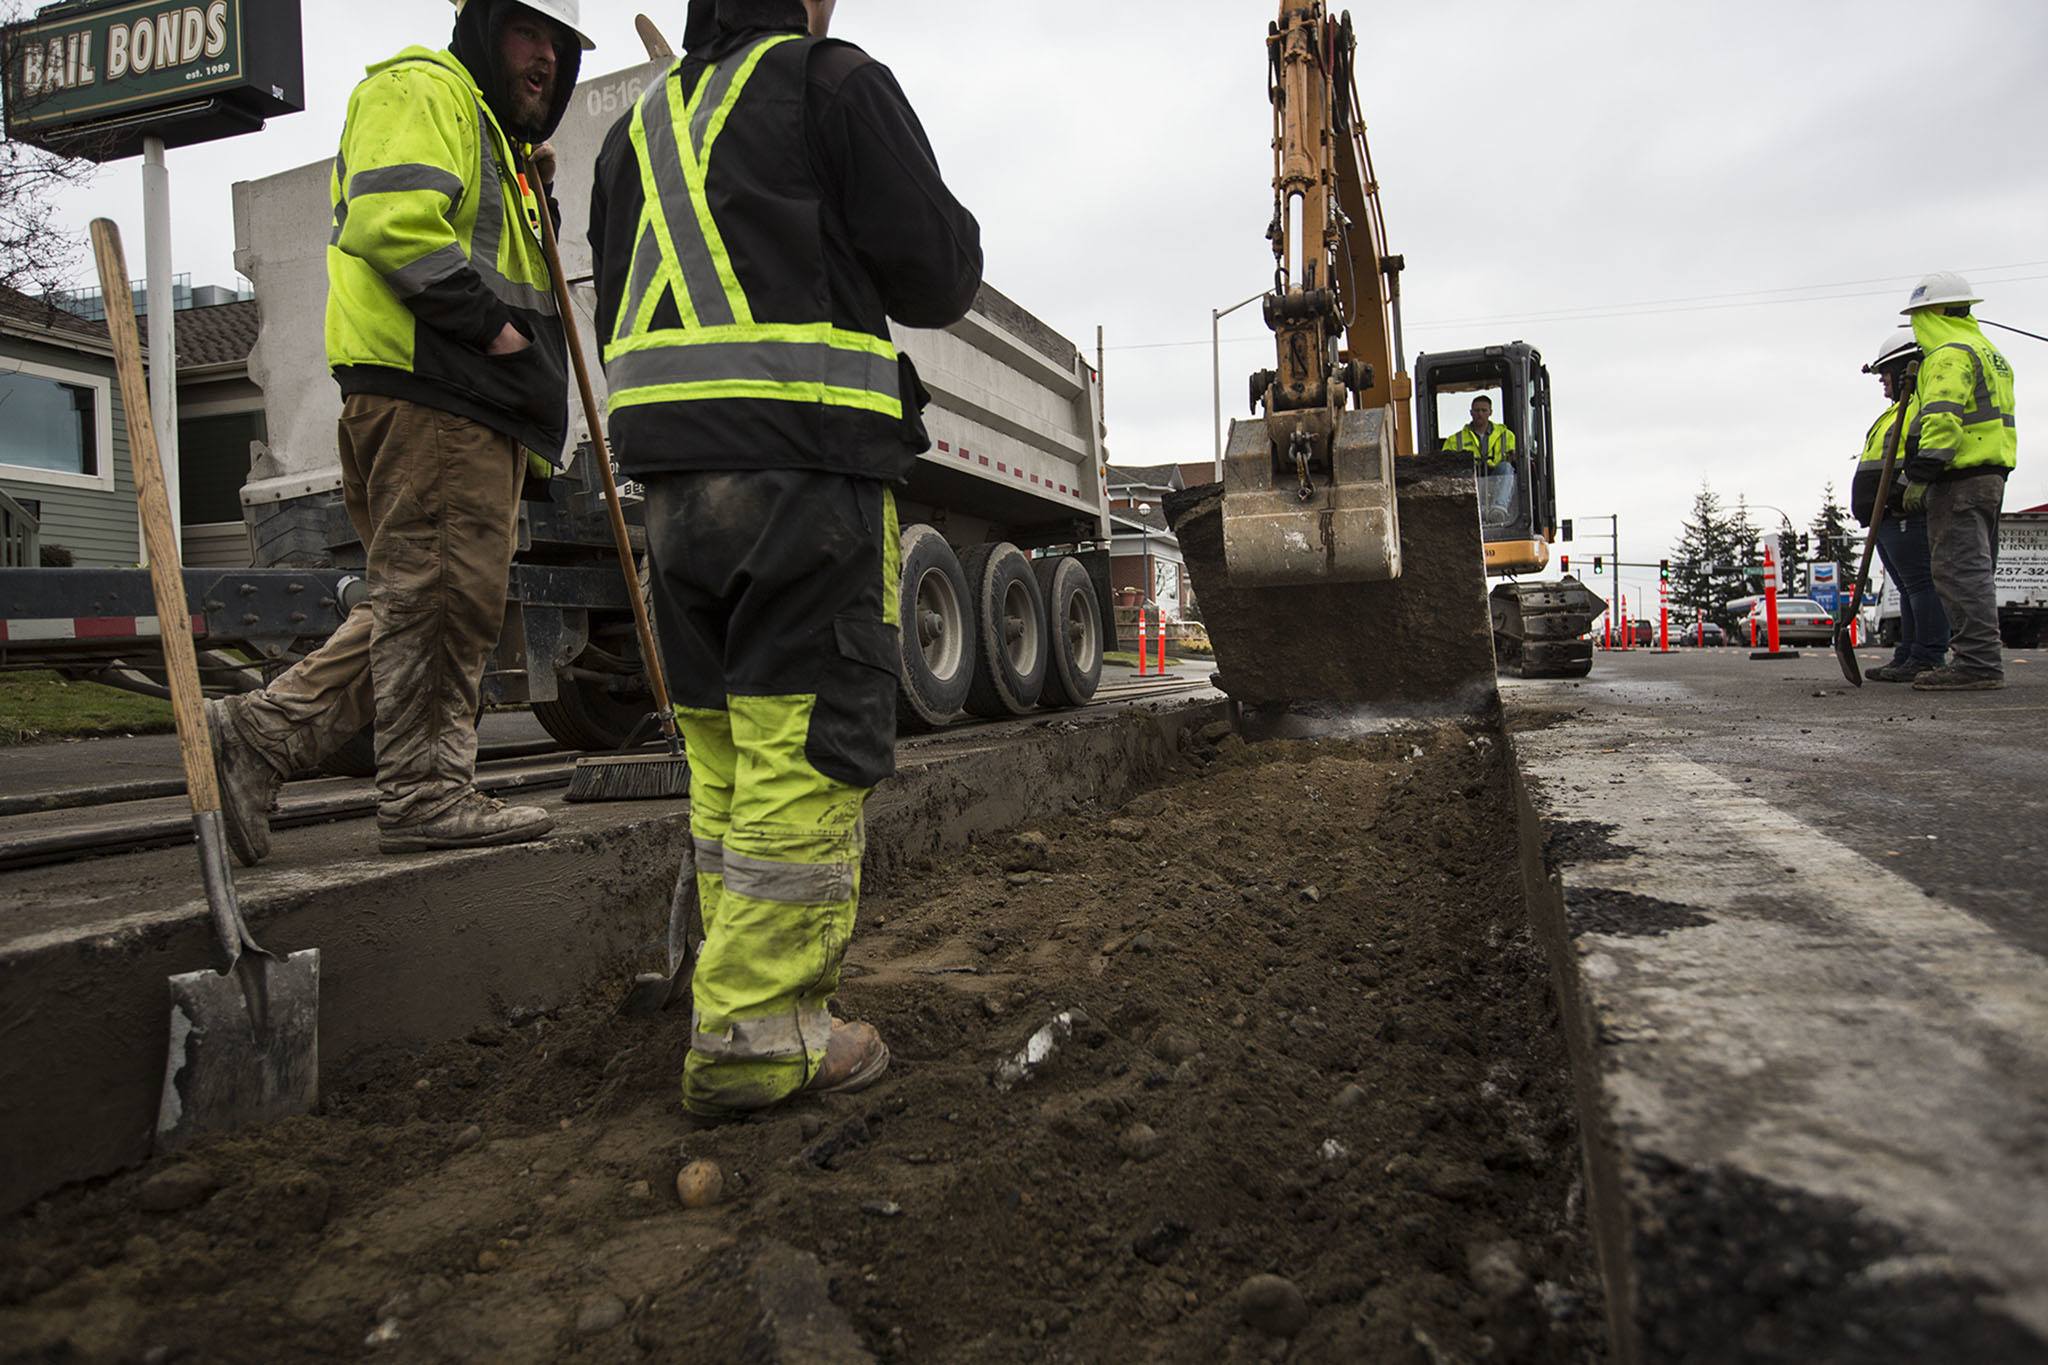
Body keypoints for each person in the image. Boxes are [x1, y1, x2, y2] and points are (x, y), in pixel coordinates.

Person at [589, 0, 982, 1117]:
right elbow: (937, 277)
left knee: (726, 760)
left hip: (673, 495)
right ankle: (760, 1037)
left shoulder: (635, 129)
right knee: (803, 751)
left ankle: (735, 994)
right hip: (802, 473)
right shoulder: (832, 83)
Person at [206, 0, 590, 862]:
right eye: (529, 34)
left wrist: (541, 194)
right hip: (438, 395)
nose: (546, 61)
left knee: (418, 602)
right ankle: (423, 792)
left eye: (558, 46)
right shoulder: (424, 89)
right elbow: (392, 225)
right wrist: (503, 340)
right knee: (442, 605)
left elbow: (502, 254)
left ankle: (262, 735)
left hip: (461, 404)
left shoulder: (497, 140)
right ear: (486, 27)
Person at [1896, 272, 2019, 691]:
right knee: (1976, 571)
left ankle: (1979, 664)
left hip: (1960, 479)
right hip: (1991, 474)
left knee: (1958, 572)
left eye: (1917, 317)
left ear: (1931, 315)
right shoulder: (1989, 351)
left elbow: (1944, 419)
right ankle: (1978, 657)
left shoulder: (1948, 354)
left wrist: (1920, 474)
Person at [1852, 328, 1949, 682]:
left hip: (1903, 512)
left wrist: (1900, 495)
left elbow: (1925, 456)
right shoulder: (1896, 412)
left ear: (1905, 369)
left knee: (1921, 584)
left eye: (1885, 375)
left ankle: (1928, 654)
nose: (1882, 383)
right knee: (1908, 588)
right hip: (1886, 517)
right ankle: (1909, 653)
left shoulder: (1919, 408)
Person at [1443, 394, 1517, 524]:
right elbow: (1443, 462)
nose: (1480, 414)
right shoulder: (1455, 440)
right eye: (1477, 411)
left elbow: (1515, 457)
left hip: (1496, 477)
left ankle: (1499, 508)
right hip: (1470, 479)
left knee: (1506, 467)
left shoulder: (1506, 436)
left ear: (1490, 412)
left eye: (1484, 410)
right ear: (1471, 413)